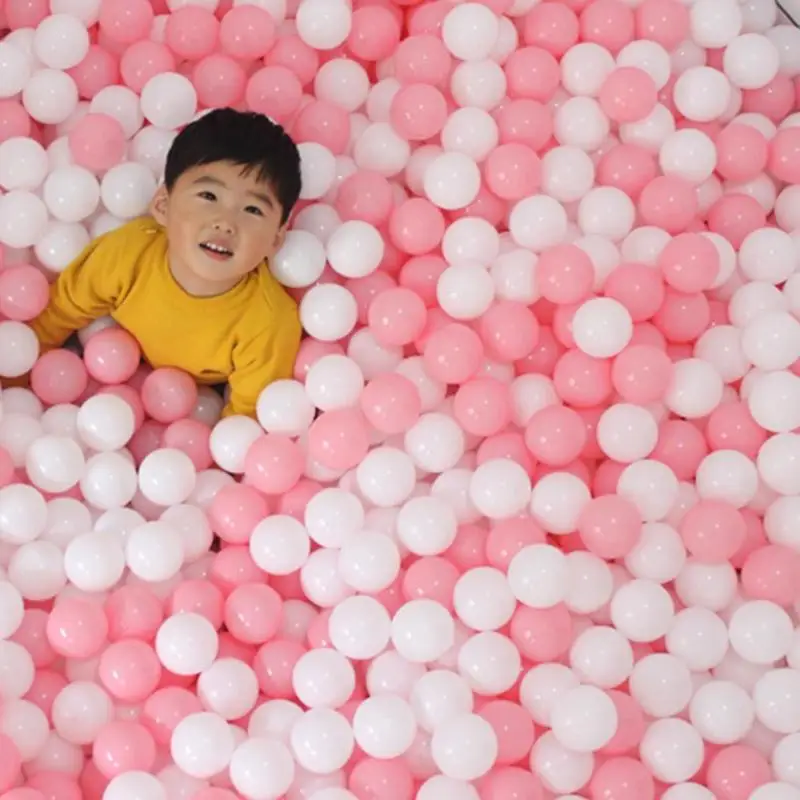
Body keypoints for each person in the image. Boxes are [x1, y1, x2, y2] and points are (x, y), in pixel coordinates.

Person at [29, 108, 303, 418]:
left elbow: (246, 421)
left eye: (253, 210)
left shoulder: (268, 324)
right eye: (209, 196)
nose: (225, 223)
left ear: (276, 239)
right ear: (162, 205)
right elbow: (54, 316)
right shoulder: (127, 254)